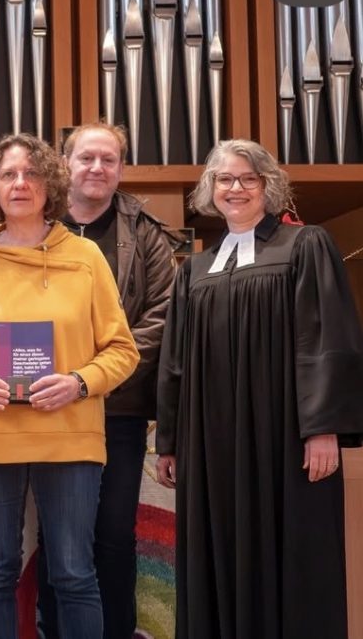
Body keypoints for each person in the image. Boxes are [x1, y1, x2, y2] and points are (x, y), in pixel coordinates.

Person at [0, 133, 139, 639]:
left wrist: (78, 383)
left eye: (32, 173)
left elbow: (122, 350)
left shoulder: (86, 258)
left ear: (51, 184)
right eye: (8, 174)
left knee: (73, 572)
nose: (20, 183)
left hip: (68, 437)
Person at [156, 139, 363, 639]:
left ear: (269, 186)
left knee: (293, 550)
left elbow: (327, 339)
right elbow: (175, 361)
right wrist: (170, 441)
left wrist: (323, 429)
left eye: (249, 178)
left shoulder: (305, 245)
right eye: (225, 179)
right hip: (211, 446)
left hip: (284, 440)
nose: (237, 188)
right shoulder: (196, 270)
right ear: (210, 188)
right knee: (217, 548)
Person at [37, 122, 176, 639]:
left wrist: (96, 376)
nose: (97, 168)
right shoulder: (36, 225)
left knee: (114, 535)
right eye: (86, 158)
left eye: (109, 160)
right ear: (65, 164)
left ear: (121, 169)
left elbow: (162, 313)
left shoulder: (146, 234)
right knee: (55, 538)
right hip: (47, 409)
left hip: (118, 408)